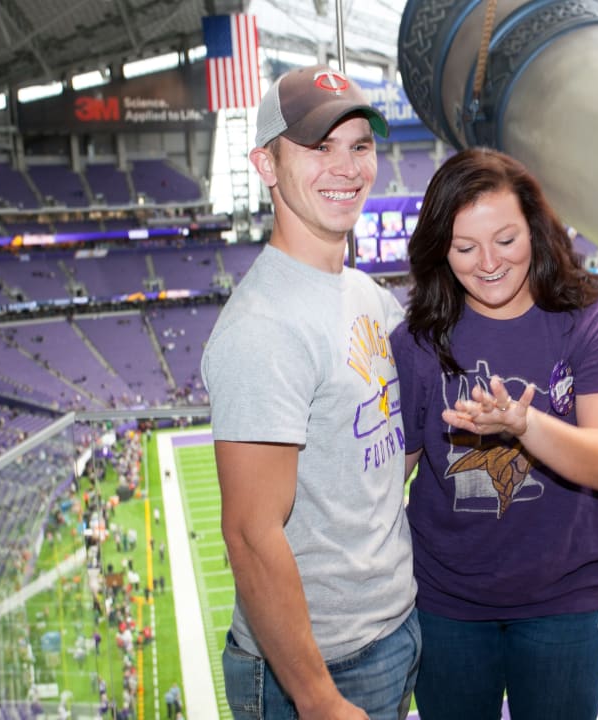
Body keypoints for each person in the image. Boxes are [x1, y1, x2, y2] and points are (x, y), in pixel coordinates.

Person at [202, 64, 419, 720]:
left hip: (391, 629)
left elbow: (386, 451)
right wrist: (317, 697)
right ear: (265, 165)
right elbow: (249, 533)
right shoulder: (262, 329)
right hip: (326, 664)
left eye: (360, 145)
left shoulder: (363, 293)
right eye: (318, 147)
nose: (345, 167)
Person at [391, 147, 598, 719]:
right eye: (464, 246)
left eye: (505, 240)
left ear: (536, 229)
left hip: (564, 599)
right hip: (445, 602)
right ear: (439, 250)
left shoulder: (590, 321)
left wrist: (524, 424)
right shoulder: (418, 340)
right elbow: (388, 479)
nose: (488, 262)